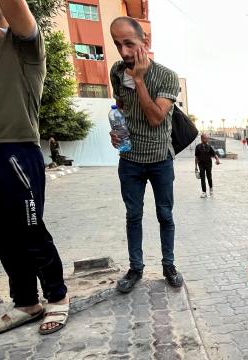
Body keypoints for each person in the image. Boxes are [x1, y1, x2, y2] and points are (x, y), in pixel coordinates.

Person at [0, 0, 69, 335]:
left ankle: (57, 296)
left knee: (30, 231)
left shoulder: (22, 44)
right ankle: (26, 301)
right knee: (4, 238)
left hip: (16, 151)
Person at [108, 16, 183, 293]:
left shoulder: (166, 76)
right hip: (129, 160)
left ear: (145, 42)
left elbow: (155, 118)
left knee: (165, 215)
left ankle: (168, 265)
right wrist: (116, 130)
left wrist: (139, 80)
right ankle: (136, 268)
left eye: (130, 43)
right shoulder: (116, 71)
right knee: (133, 216)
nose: (125, 52)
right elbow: (120, 107)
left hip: (160, 159)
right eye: (118, 45)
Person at [195, 133, 220, 197]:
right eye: (205, 138)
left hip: (208, 164)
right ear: (202, 139)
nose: (207, 139)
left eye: (207, 138)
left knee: (209, 177)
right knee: (202, 178)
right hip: (201, 165)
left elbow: (214, 154)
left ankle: (211, 189)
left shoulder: (209, 147)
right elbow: (196, 157)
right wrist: (195, 167)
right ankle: (204, 192)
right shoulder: (197, 147)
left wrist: (217, 159)